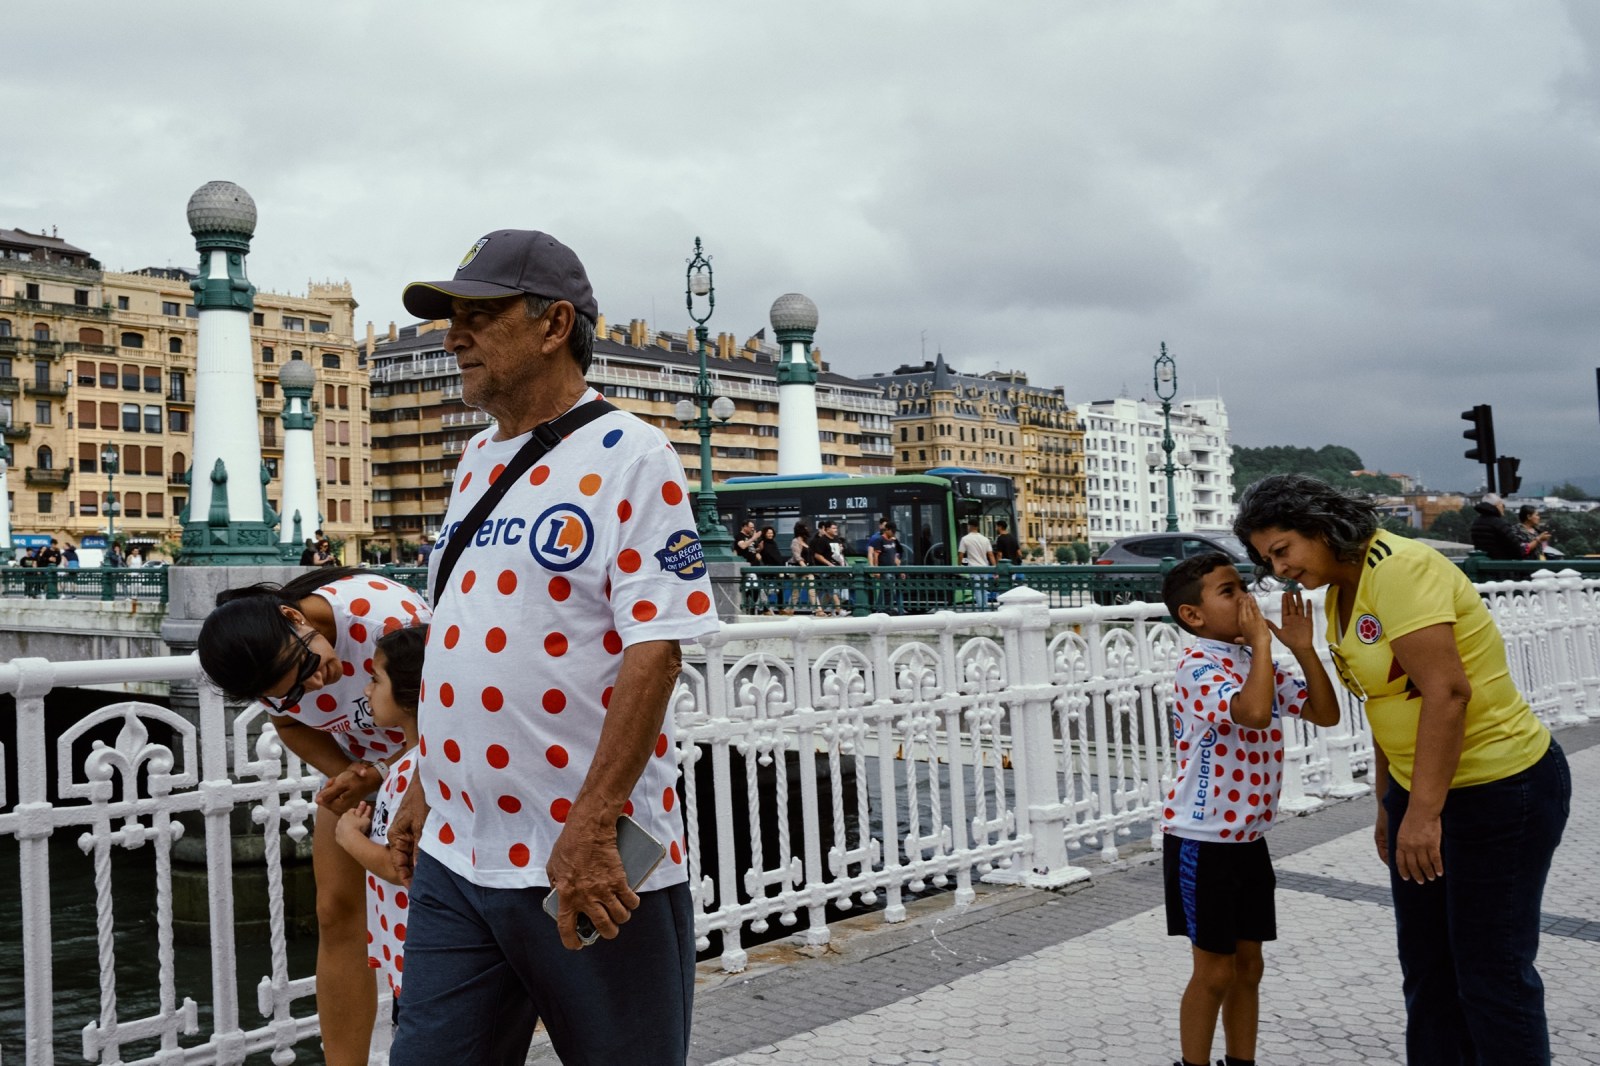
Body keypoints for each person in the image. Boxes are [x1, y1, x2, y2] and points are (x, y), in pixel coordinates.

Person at [383, 228, 719, 1066]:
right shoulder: (473, 459)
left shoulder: (634, 454)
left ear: (553, 324)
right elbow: (459, 635)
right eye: (450, 317)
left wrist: (594, 826)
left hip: (587, 861)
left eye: (480, 315)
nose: (453, 335)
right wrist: (428, 775)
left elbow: (657, 649)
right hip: (456, 856)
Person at [1234, 474, 1570, 1064]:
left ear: (1319, 525)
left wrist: (1422, 813)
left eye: (1283, 550)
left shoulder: (1398, 568)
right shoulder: (1340, 590)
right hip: (1424, 795)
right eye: (1267, 561)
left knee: (1491, 975)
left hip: (1500, 789)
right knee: (1428, 972)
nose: (1279, 570)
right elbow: (1387, 701)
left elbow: (1447, 693)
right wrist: (1390, 805)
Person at [198, 566, 432, 1066]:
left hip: (434, 764)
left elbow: (453, 704)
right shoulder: (275, 679)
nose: (316, 684)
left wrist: (386, 771)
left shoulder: (387, 620)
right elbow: (288, 724)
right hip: (366, 770)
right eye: (293, 690)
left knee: (431, 910)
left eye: (310, 668)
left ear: (291, 617)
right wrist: (355, 773)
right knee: (336, 912)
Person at [1159, 553, 1340, 1066]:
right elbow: (1255, 713)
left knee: (1248, 966)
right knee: (1214, 970)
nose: (1246, 599)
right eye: (1229, 592)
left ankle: (1242, 1062)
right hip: (1202, 839)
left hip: (1246, 842)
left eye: (1243, 587)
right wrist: (1263, 642)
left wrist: (1303, 651)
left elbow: (1324, 713)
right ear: (1193, 616)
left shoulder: (1251, 660)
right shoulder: (1199, 665)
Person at [335, 623, 427, 1020]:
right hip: (412, 954)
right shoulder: (410, 764)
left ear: (410, 695)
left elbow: (400, 865)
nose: (367, 691)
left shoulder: (415, 772)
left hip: (418, 955)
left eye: (376, 679)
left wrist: (349, 837)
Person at [1467, 492, 1524, 561]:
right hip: (1501, 564)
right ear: (1496, 505)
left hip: (1483, 564)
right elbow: (1515, 546)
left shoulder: (1476, 522)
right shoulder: (1499, 523)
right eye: (1501, 504)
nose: (1503, 506)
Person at [808, 518, 846, 615]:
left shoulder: (837, 539)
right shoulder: (822, 540)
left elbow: (838, 553)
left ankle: (819, 609)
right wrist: (829, 564)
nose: (835, 530)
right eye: (833, 528)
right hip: (826, 569)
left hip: (837, 568)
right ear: (827, 529)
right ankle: (839, 610)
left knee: (831, 592)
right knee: (832, 589)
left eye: (836, 528)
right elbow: (817, 555)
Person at [958, 519, 995, 607]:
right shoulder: (985, 539)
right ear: (977, 527)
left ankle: (981, 607)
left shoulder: (965, 539)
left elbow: (960, 554)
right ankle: (985, 607)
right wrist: (994, 567)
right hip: (984, 567)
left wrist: (959, 566)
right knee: (984, 588)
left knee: (977, 588)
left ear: (969, 526)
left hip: (973, 567)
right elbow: (990, 555)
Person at [788, 521, 817, 614]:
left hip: (807, 569)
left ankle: (817, 610)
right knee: (796, 591)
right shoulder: (795, 541)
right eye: (805, 528)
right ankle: (790, 609)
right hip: (799, 569)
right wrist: (805, 568)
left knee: (812, 590)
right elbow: (797, 557)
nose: (807, 529)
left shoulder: (806, 542)